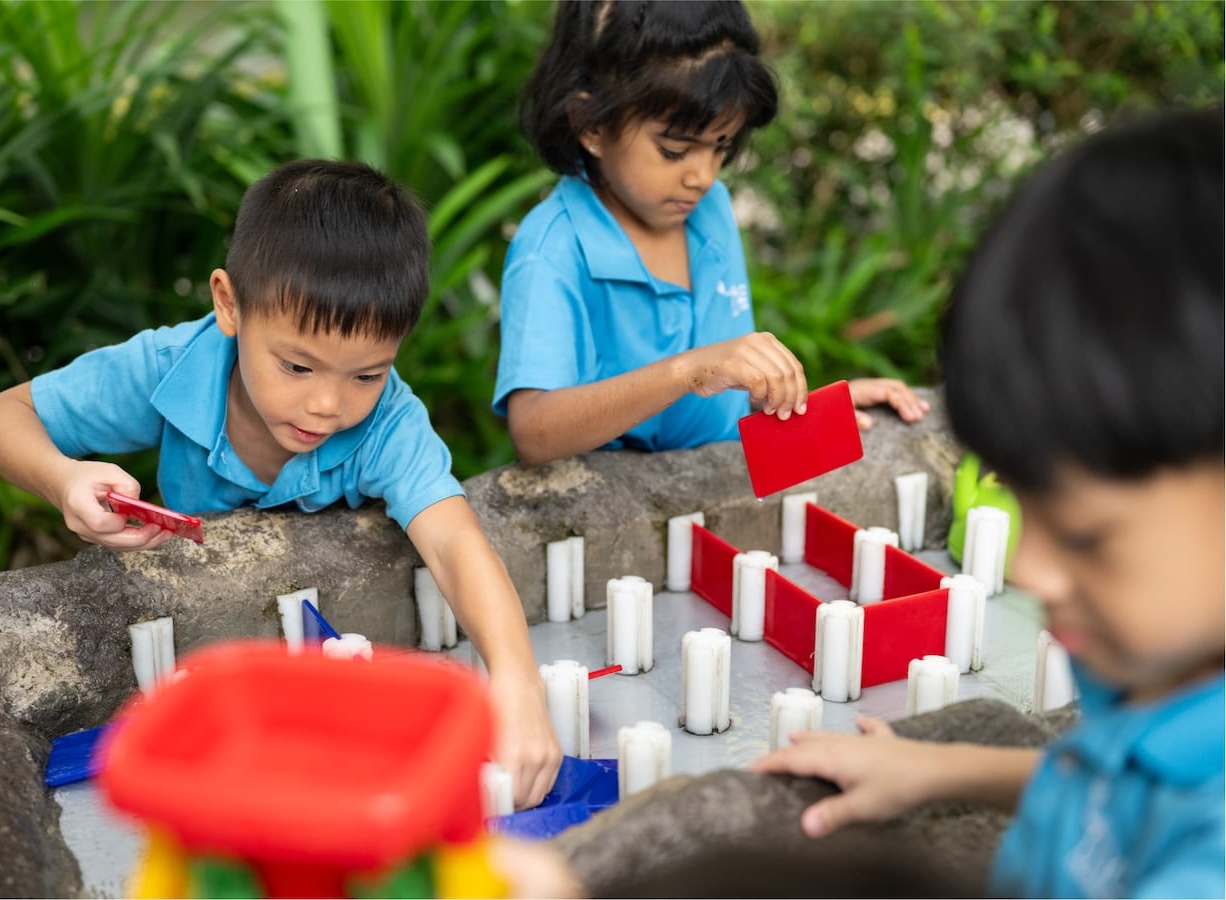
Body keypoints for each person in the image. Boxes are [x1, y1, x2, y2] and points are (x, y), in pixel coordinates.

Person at [0, 159, 562, 809]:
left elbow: (453, 540)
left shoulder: (389, 422)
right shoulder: (172, 367)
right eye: (298, 366)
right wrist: (64, 479)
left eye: (366, 374)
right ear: (229, 304)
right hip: (214, 686)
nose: (327, 405)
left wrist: (517, 682)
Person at [753, 107, 1224, 897]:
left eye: (1084, 534)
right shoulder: (1160, 664)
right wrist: (936, 770)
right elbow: (1110, 789)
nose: (1029, 565)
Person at [494, 0, 929, 465]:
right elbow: (534, 431)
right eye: (675, 150)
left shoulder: (709, 209)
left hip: (715, 493)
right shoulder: (554, 249)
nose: (701, 176)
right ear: (592, 125)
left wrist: (804, 408)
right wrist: (688, 371)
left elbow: (719, 400)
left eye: (720, 145)